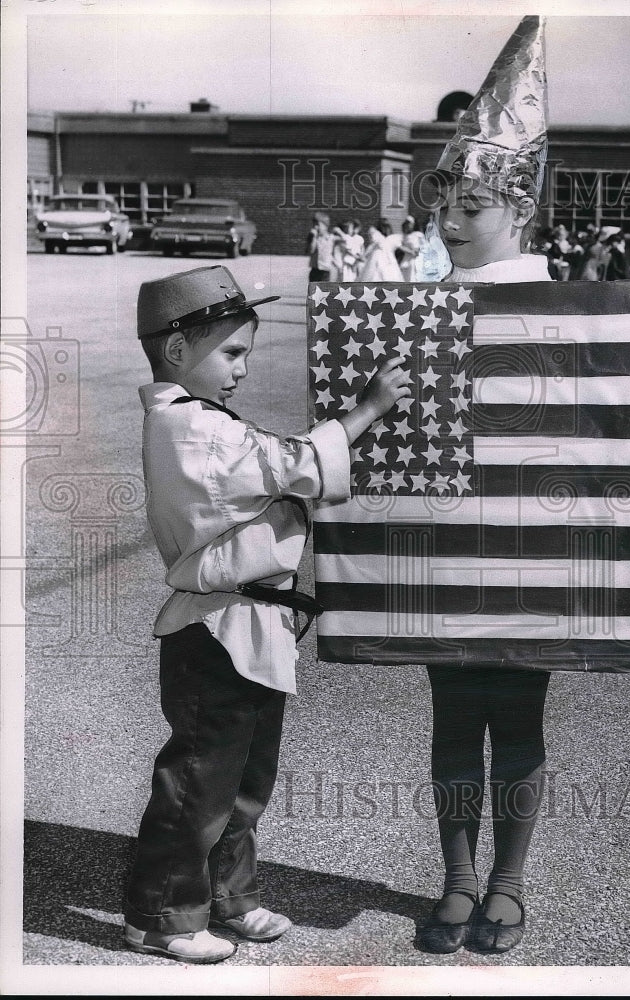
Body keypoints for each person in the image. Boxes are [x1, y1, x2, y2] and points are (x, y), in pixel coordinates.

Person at [124, 264, 411, 963]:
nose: (242, 371)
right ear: (175, 352)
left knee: (244, 781)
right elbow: (294, 464)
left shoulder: (204, 418)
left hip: (251, 626)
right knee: (199, 782)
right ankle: (161, 915)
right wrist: (367, 409)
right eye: (231, 353)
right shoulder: (186, 427)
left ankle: (228, 897)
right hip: (214, 629)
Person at [415, 15, 552, 957]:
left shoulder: (560, 302)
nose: (453, 220)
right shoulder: (417, 297)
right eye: (445, 204)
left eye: (473, 205)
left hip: (530, 549)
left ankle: (508, 882)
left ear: (520, 209)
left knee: (520, 713)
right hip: (440, 536)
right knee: (454, 713)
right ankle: (458, 879)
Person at [306, 211, 336, 282]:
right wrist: (314, 238)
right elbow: (311, 251)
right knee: (313, 291)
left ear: (326, 226)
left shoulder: (331, 238)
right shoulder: (313, 238)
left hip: (325, 270)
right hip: (315, 270)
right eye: (314, 225)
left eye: (318, 225)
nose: (315, 227)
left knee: (324, 291)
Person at [396, 215, 425, 281]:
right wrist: (409, 251)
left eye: (410, 224)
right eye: (407, 224)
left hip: (418, 258)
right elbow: (401, 246)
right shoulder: (405, 236)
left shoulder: (419, 234)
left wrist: (419, 250)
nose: (409, 226)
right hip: (408, 258)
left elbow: (425, 245)